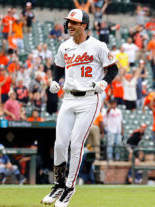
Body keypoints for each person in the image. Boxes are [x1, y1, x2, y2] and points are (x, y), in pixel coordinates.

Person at [41, 9, 118, 207]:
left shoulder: (98, 46)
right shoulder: (64, 46)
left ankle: (69, 187)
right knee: (59, 144)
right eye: (68, 22)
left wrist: (104, 83)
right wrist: (54, 81)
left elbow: (113, 68)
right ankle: (58, 184)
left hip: (90, 99)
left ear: (84, 25)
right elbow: (58, 66)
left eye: (74, 22)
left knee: (76, 144)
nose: (70, 25)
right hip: (68, 97)